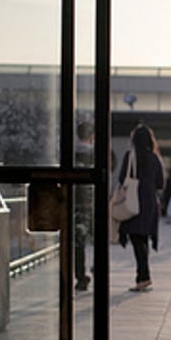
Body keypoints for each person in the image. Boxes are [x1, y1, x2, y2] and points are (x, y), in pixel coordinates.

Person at [117, 123, 165, 292]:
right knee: (142, 239)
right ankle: (143, 276)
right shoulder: (155, 158)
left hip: (132, 200)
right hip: (149, 202)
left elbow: (123, 178)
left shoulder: (130, 156)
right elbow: (160, 183)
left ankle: (143, 277)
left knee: (137, 240)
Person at [74, 121, 95, 292]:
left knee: (78, 242)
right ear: (92, 136)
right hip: (92, 204)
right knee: (97, 239)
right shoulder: (95, 153)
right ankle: (97, 268)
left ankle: (80, 276)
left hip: (75, 205)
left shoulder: (70, 153)